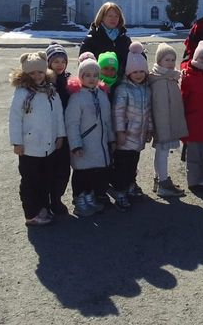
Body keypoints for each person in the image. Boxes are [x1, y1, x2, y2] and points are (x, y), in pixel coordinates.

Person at [8, 51, 66, 226]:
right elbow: (15, 119)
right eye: (32, 73)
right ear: (26, 74)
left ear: (45, 71)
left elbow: (58, 115)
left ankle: (43, 207)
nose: (37, 76)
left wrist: (60, 135)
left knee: (45, 179)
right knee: (30, 181)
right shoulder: (22, 94)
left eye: (40, 72)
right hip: (29, 147)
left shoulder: (50, 91)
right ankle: (31, 213)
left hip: (48, 145)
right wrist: (16, 142)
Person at [65, 53, 115, 217]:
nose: (92, 79)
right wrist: (76, 144)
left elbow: (107, 119)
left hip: (99, 144)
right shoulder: (77, 96)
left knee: (95, 173)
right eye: (87, 75)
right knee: (82, 174)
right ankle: (79, 200)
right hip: (84, 143)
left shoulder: (101, 94)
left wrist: (111, 139)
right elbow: (72, 123)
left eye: (95, 75)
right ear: (80, 77)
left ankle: (90, 197)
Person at [111, 42, 154, 212]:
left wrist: (149, 129)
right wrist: (120, 132)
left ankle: (130, 185)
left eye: (141, 71)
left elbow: (148, 111)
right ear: (128, 72)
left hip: (139, 134)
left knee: (133, 163)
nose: (138, 75)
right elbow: (118, 113)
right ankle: (120, 191)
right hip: (126, 135)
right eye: (134, 72)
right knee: (122, 165)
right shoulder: (123, 89)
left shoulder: (146, 89)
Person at [148, 43, 188, 198]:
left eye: (173, 60)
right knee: (162, 152)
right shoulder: (160, 80)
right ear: (159, 61)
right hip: (163, 125)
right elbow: (160, 108)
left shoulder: (170, 77)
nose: (171, 63)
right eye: (167, 60)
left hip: (168, 123)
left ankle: (160, 179)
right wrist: (162, 128)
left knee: (161, 152)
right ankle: (163, 182)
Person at [180, 40, 203, 191]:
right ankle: (193, 180)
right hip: (193, 123)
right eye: (201, 57)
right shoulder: (188, 77)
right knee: (194, 156)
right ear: (195, 57)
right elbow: (183, 99)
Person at [45, 43, 72, 216]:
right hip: (50, 132)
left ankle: (57, 198)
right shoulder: (45, 83)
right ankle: (48, 199)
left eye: (63, 61)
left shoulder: (70, 81)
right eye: (55, 61)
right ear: (48, 64)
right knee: (49, 168)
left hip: (67, 131)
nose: (60, 64)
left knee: (64, 167)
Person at [80, 2, 133, 78]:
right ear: (102, 17)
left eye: (116, 16)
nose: (113, 19)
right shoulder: (92, 39)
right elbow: (83, 66)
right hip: (97, 83)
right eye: (110, 16)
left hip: (121, 82)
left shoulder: (124, 39)